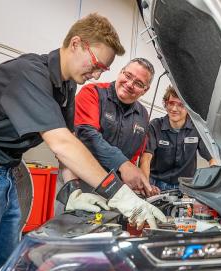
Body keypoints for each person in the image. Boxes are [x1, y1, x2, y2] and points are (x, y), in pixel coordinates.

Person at [0, 13, 165, 271]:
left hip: (5, 174)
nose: (98, 74)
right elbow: (61, 144)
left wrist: (72, 190)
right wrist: (118, 193)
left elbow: (67, 144)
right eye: (97, 64)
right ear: (76, 43)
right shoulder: (28, 73)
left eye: (103, 69)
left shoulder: (65, 87)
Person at [59, 58, 157, 206]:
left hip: (114, 191)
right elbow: (87, 136)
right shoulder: (92, 93)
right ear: (120, 72)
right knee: (73, 227)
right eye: (128, 76)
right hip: (78, 185)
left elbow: (133, 157)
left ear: (146, 89)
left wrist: (138, 183)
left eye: (138, 83)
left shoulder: (143, 115)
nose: (130, 84)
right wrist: (123, 165)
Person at [140, 85, 216, 191]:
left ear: (188, 108)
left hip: (185, 187)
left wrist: (211, 182)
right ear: (166, 104)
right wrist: (146, 185)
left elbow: (212, 159)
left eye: (181, 105)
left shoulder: (197, 129)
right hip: (156, 184)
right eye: (171, 103)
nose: (174, 109)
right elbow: (146, 158)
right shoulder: (155, 126)